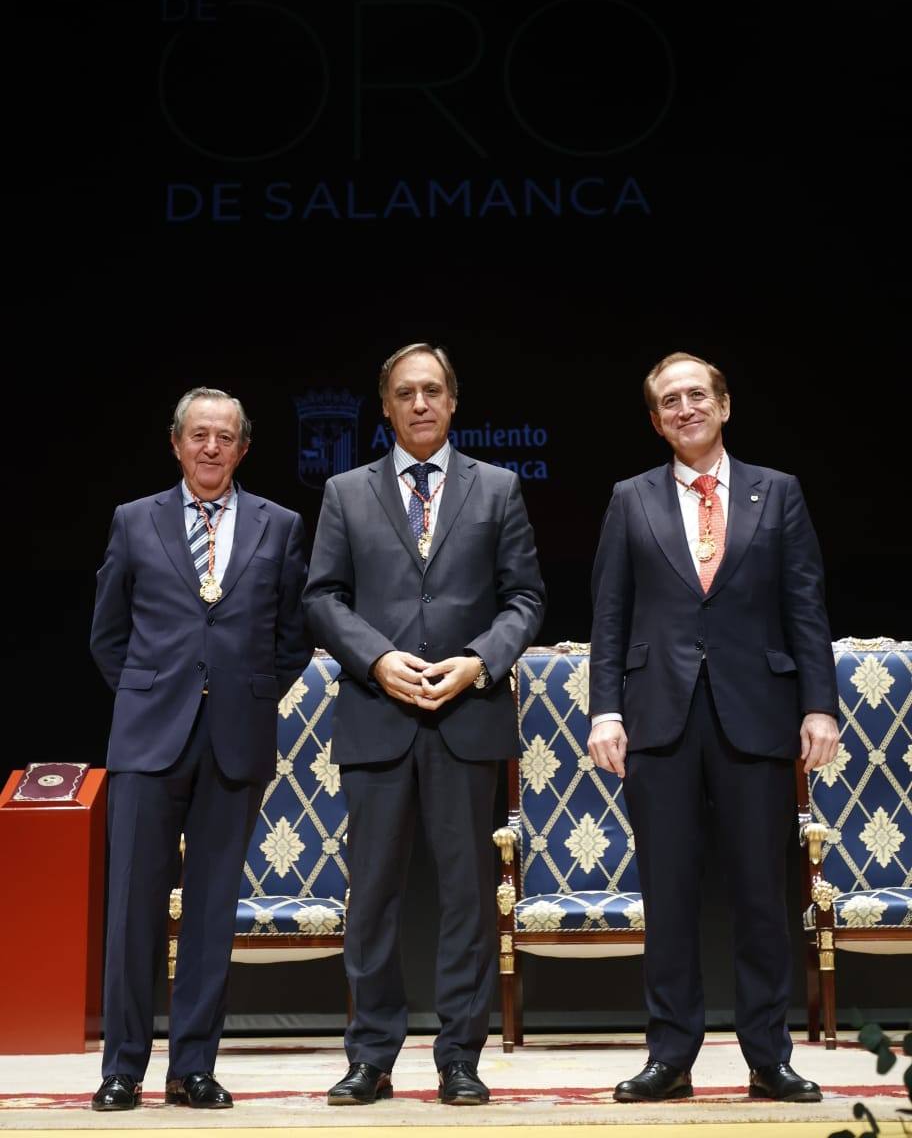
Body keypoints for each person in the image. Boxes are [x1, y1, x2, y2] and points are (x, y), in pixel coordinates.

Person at [588, 352, 839, 1104]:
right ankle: (671, 1055)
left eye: (698, 395)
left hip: (757, 713)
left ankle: (768, 1055)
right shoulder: (630, 499)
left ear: (725, 405)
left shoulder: (778, 493)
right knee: (667, 894)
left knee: (763, 892)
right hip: (658, 718)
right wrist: (606, 709)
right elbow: (609, 616)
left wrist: (819, 705)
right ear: (656, 419)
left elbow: (806, 606)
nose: (685, 408)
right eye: (670, 401)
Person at [302, 343, 545, 1106]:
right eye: (405, 392)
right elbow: (323, 597)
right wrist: (377, 661)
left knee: (468, 897)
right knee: (372, 896)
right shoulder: (344, 491)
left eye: (432, 390)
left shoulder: (499, 488)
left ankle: (459, 1058)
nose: (419, 404)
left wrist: (479, 660)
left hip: (466, 714)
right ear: (385, 405)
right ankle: (370, 1055)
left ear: (453, 401)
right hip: (379, 714)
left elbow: (525, 600)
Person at [89, 387, 313, 1112]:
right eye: (198, 435)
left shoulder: (280, 525)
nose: (210, 448)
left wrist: (244, 694)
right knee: (133, 911)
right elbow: (108, 634)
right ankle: (121, 1068)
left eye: (225, 437)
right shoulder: (135, 520)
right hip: (148, 740)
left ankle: (193, 1068)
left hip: (234, 743)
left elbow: (291, 640)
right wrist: (151, 693)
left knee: (214, 912)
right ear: (176, 443)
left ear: (244, 448)